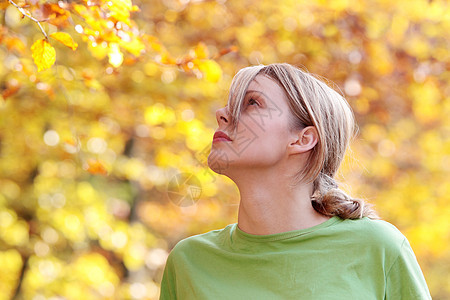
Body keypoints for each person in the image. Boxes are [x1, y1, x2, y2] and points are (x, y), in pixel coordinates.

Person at [159, 63, 432, 299]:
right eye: (230, 104)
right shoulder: (189, 262)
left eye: (252, 102)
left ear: (302, 139)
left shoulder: (379, 248)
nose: (222, 113)